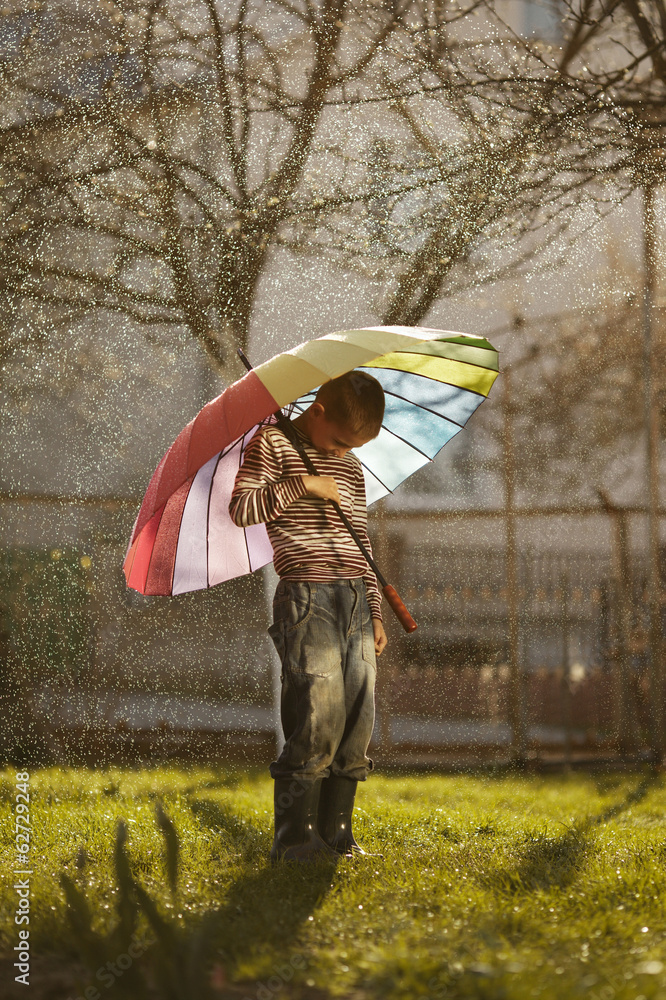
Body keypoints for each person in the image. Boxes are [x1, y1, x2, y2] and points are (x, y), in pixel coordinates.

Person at [228, 370, 387, 863]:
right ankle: (295, 838)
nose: (343, 453)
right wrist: (302, 484)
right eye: (339, 441)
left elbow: (360, 544)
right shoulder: (273, 444)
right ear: (317, 411)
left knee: (357, 720)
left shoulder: (351, 469)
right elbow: (241, 508)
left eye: (353, 446)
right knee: (318, 715)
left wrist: (375, 610)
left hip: (355, 600)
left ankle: (338, 835)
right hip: (308, 599)